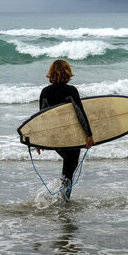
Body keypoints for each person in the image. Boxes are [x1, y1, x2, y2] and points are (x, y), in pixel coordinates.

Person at [36, 59, 94, 201]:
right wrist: (89, 134)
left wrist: (39, 140)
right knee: (68, 172)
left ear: (51, 73)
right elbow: (80, 113)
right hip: (71, 137)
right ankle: (63, 201)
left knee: (68, 169)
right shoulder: (71, 91)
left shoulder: (45, 92)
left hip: (56, 138)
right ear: (67, 72)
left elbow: (41, 117)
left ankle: (61, 199)